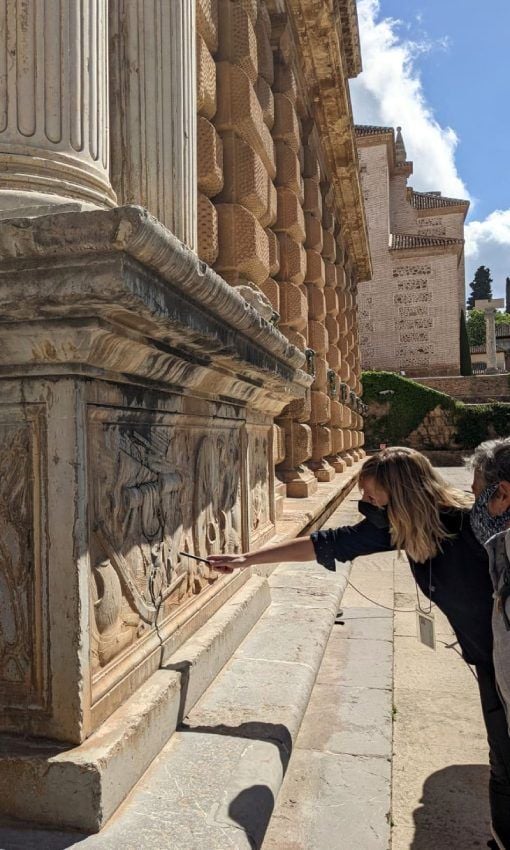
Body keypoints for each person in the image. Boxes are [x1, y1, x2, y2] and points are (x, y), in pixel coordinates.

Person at [208, 446, 510, 849]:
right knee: (503, 761)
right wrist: (247, 558)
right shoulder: (399, 528)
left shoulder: (470, 526)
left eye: (371, 495)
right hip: (489, 662)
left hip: (503, 652)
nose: (364, 503)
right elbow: (325, 543)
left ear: (400, 493)